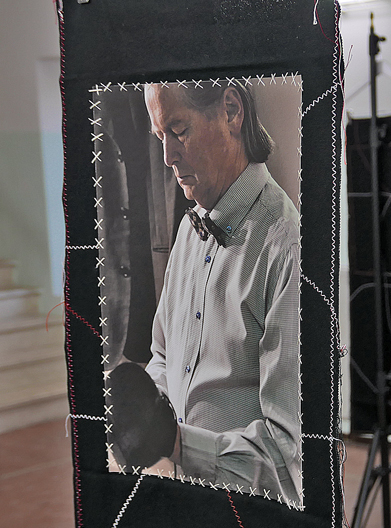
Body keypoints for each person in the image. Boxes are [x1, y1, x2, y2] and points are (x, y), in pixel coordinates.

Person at [111, 80, 301, 505]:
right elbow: (164, 356)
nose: (167, 156)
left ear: (231, 110)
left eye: (178, 131)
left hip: (250, 518)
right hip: (186, 502)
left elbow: (287, 456)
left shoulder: (286, 246)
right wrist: (140, 414)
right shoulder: (188, 230)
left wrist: (177, 443)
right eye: (159, 136)